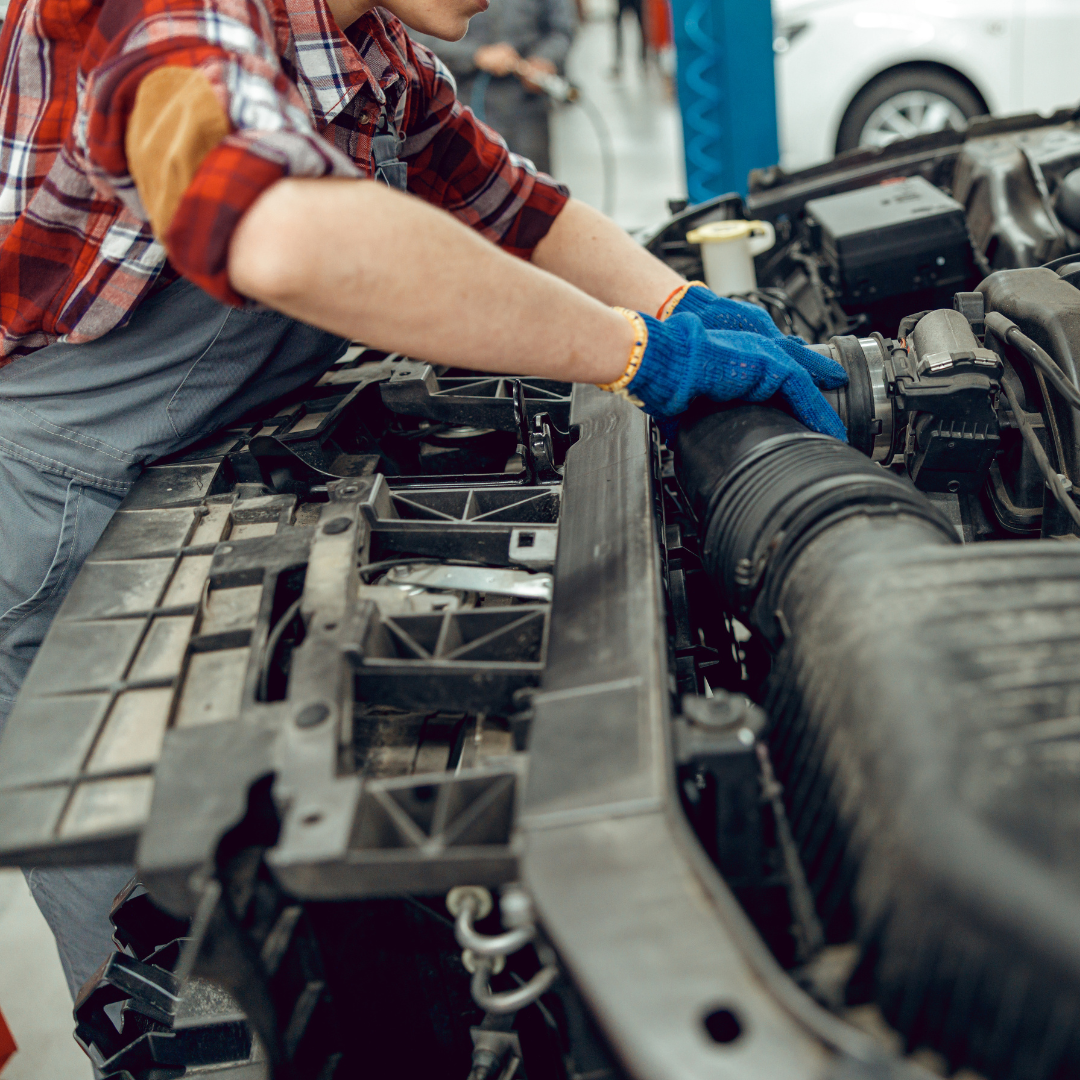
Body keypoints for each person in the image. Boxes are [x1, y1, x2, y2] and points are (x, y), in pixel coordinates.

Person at [0, 0, 846, 1007]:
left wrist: (685, 307)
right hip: (49, 527)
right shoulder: (164, 16)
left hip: (201, 479)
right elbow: (278, 234)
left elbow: (521, 212)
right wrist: (637, 354)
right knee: (183, 966)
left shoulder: (370, 53)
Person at [409, 0, 575, 175]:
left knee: (531, 177)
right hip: (465, 97)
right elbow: (416, 32)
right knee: (465, 173)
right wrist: (476, 54)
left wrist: (544, 59)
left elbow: (562, 29)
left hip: (527, 105)